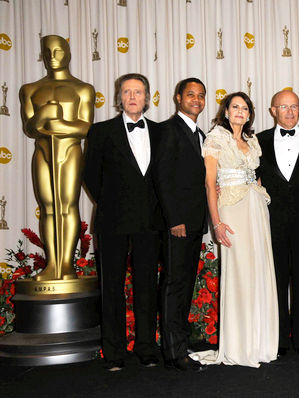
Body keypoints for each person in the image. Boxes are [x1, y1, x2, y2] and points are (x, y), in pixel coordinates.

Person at [189, 92, 278, 368]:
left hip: (256, 207)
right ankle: (240, 345)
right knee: (239, 273)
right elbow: (209, 182)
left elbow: (257, 173)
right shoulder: (216, 137)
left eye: (245, 107)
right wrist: (216, 222)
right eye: (235, 107)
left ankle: (260, 342)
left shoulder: (252, 140)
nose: (240, 111)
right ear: (226, 111)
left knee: (259, 271)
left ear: (250, 113)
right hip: (231, 210)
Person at [83, 73, 162, 371]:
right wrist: (112, 203)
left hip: (150, 222)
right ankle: (113, 352)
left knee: (146, 286)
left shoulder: (159, 132)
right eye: (127, 91)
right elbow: (90, 175)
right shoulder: (101, 131)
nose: (132, 96)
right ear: (119, 97)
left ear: (147, 97)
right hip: (113, 220)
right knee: (111, 287)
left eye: (138, 92)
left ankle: (145, 348)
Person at [19, 35, 95, 281]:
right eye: (48, 52)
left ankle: (67, 264)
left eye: (58, 52)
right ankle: (52, 265)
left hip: (70, 150)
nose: (53, 57)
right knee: (48, 208)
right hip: (43, 151)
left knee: (68, 205)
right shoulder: (30, 89)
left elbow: (86, 128)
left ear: (68, 53)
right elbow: (30, 129)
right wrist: (42, 117)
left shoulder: (82, 88)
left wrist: (60, 122)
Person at [153, 78, 208, 372]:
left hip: (196, 221)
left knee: (185, 283)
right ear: (178, 98)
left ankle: (181, 342)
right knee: (175, 283)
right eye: (191, 95)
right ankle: (173, 352)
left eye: (201, 95)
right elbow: (162, 178)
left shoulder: (199, 134)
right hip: (178, 224)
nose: (196, 100)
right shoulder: (167, 130)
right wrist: (174, 220)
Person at [257, 90, 299, 357]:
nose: (290, 112)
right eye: (284, 107)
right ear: (273, 111)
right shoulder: (257, 142)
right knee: (276, 280)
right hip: (271, 222)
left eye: (295, 107)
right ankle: (279, 339)